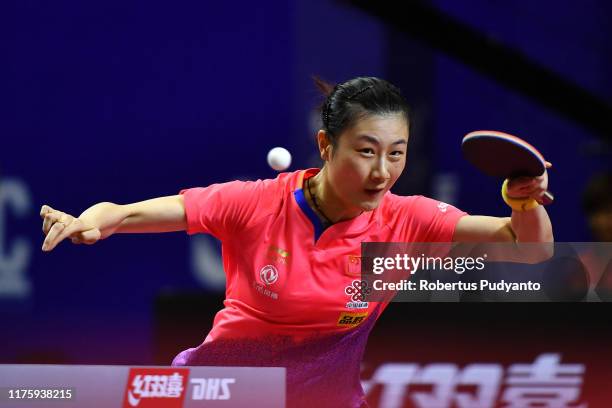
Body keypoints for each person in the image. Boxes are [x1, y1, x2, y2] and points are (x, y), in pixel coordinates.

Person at [40, 77, 553, 407]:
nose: (382, 172)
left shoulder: (406, 221)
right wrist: (96, 220)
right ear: (326, 145)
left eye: (396, 154)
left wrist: (524, 202)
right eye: (366, 151)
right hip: (221, 395)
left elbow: (528, 248)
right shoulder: (257, 204)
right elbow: (135, 212)